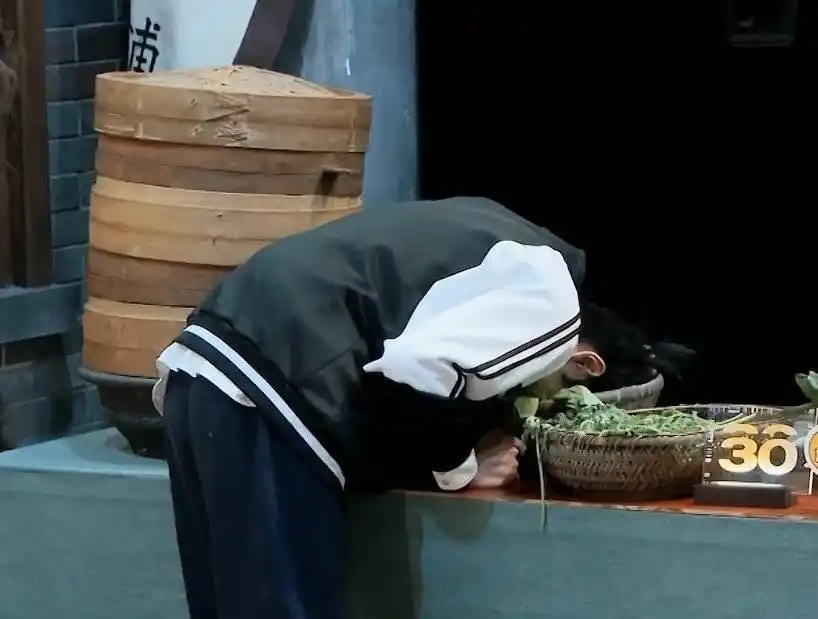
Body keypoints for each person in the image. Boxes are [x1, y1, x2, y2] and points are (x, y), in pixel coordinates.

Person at [154, 197, 609, 619]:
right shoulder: (552, 297)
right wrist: (460, 467)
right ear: (586, 363)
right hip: (276, 382)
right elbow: (417, 366)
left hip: (202, 359)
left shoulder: (497, 231)